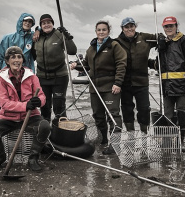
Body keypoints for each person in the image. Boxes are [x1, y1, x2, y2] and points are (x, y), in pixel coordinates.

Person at [0, 46, 51, 172]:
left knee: (45, 126)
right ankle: (0, 156)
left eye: (19, 57)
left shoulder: (32, 76)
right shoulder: (2, 79)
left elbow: (41, 96)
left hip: (30, 116)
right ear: (7, 61)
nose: (16, 60)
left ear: (22, 60)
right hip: (8, 117)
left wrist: (38, 101)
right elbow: (4, 104)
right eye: (13, 57)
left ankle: (33, 158)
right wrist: (25, 105)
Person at [70, 20, 127, 155]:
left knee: (113, 115)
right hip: (95, 87)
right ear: (96, 31)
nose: (101, 32)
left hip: (110, 87)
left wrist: (118, 83)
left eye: (104, 30)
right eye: (99, 30)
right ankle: (103, 140)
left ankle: (115, 144)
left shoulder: (114, 45)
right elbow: (86, 65)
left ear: (108, 31)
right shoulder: (91, 48)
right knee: (98, 115)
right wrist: (75, 65)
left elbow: (121, 64)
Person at [149, 16, 185, 142]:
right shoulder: (162, 44)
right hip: (166, 87)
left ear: (176, 26)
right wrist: (144, 62)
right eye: (166, 26)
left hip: (182, 86)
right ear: (163, 28)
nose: (169, 28)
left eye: (171, 25)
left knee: (182, 113)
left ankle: (181, 139)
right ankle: (168, 140)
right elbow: (159, 65)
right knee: (167, 115)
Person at [114, 17, 159, 134]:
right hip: (125, 83)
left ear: (135, 26)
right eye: (126, 27)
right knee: (127, 109)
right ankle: (131, 134)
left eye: (131, 26)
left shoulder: (143, 37)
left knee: (144, 109)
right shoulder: (117, 42)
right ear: (122, 28)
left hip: (142, 82)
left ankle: (144, 134)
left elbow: (159, 38)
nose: (129, 29)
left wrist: (162, 41)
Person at [31, 14, 77, 125]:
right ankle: (45, 129)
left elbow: (72, 51)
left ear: (53, 23)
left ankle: (60, 129)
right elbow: (32, 56)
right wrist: (37, 30)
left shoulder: (59, 34)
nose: (46, 25)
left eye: (49, 22)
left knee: (59, 105)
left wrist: (66, 35)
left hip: (60, 77)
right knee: (45, 105)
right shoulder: (36, 37)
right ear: (40, 25)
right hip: (42, 77)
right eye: (43, 23)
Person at [0, 13, 36, 87]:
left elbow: (43, 31)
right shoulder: (7, 38)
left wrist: (38, 30)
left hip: (25, 74)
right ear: (21, 21)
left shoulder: (33, 37)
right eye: (25, 20)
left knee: (25, 96)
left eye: (30, 22)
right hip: (7, 73)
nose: (27, 23)